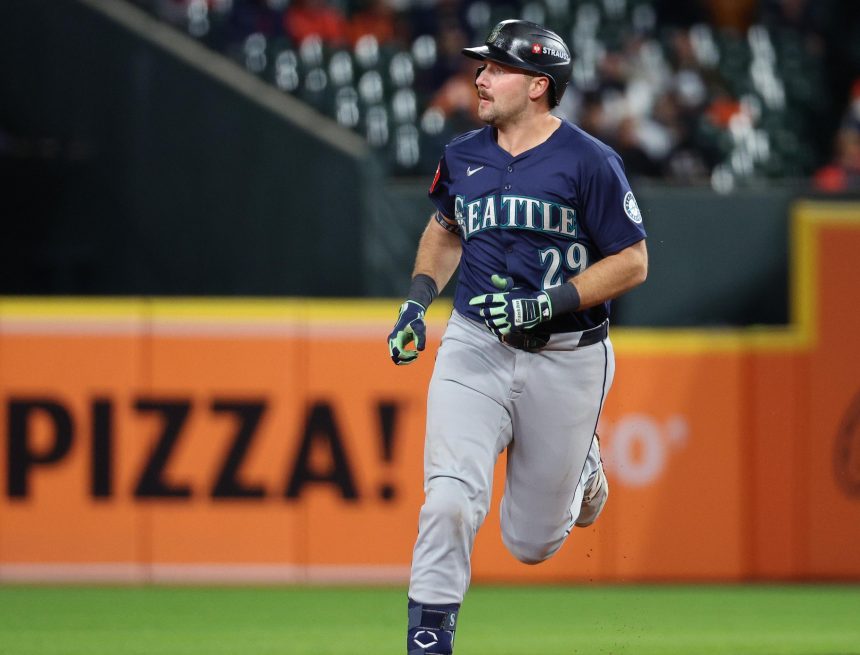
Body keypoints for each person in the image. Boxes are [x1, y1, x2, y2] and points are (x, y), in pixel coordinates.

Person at [387, 20, 648, 655]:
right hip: (475, 343)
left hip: (566, 356)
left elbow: (634, 261)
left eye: (496, 69)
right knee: (448, 499)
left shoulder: (590, 160)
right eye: (481, 67)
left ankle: (583, 462)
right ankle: (429, 639)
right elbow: (446, 230)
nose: (480, 77)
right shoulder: (464, 154)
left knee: (530, 545)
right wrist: (417, 303)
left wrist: (547, 302)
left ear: (538, 85)